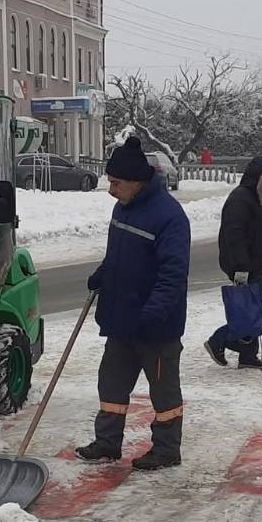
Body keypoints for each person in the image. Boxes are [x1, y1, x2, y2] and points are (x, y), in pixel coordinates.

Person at [76, 136, 191, 470]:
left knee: (163, 393)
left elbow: (173, 274)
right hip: (121, 320)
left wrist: (153, 314)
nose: (111, 190)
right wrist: (102, 273)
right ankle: (107, 443)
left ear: (137, 182)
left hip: (156, 327)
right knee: (111, 383)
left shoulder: (169, 217)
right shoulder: (123, 207)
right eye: (110, 182)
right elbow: (118, 255)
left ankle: (167, 449)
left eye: (116, 183)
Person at [204, 154, 262, 370]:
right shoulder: (241, 199)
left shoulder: (257, 198)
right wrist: (240, 266)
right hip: (244, 266)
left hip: (254, 265)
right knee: (247, 312)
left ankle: (248, 355)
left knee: (254, 309)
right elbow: (234, 234)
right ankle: (218, 341)